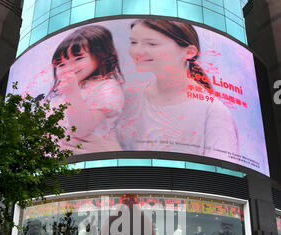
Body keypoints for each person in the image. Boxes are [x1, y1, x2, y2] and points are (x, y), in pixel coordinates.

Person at [116, 19, 239, 159]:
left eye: (152, 44)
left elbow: (222, 172)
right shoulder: (129, 96)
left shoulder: (213, 111)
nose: (137, 51)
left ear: (189, 52)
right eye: (133, 42)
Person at [46, 25, 125, 154]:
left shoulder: (107, 87)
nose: (69, 67)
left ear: (100, 56)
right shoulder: (60, 95)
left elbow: (81, 129)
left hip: (88, 156)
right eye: (61, 64)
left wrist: (72, 93)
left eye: (78, 58)